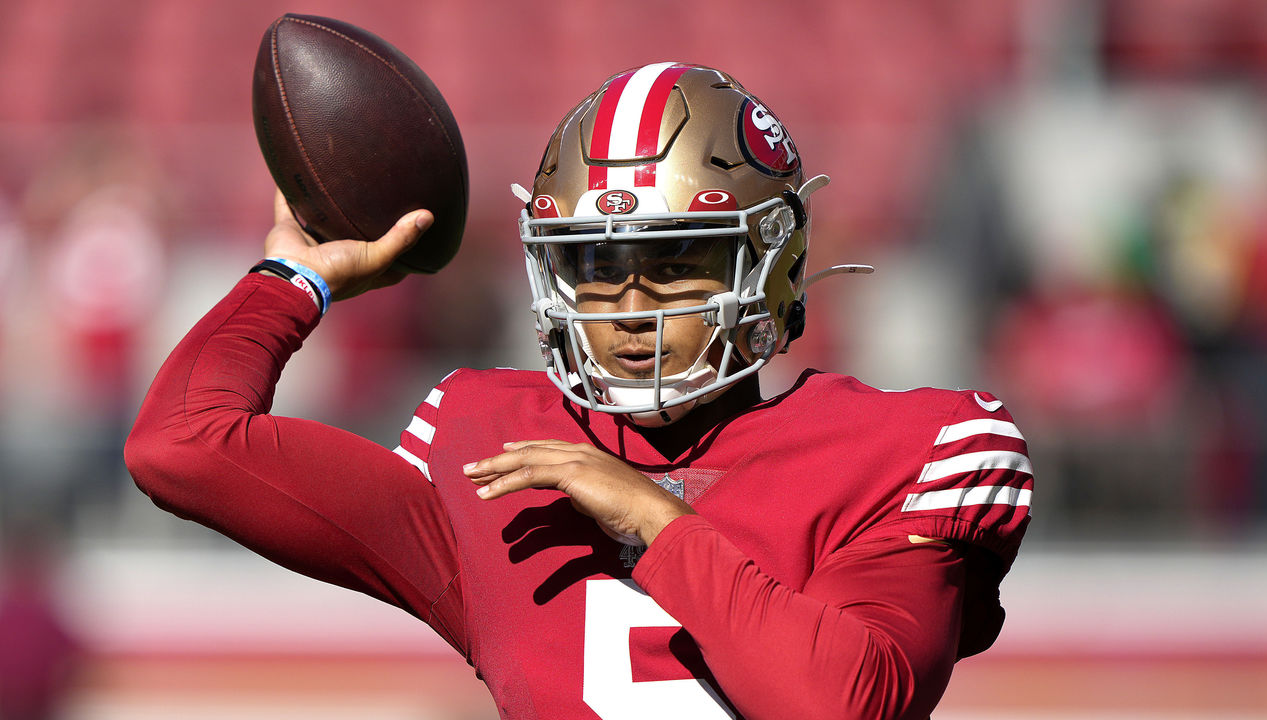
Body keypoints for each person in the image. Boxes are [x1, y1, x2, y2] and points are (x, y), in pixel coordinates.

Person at [125, 63, 1033, 720]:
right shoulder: (493, 450)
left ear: (774, 268)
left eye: (676, 266)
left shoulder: (908, 449)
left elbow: (841, 707)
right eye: (597, 269)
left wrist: (659, 524)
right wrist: (293, 279)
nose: (630, 311)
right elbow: (181, 445)